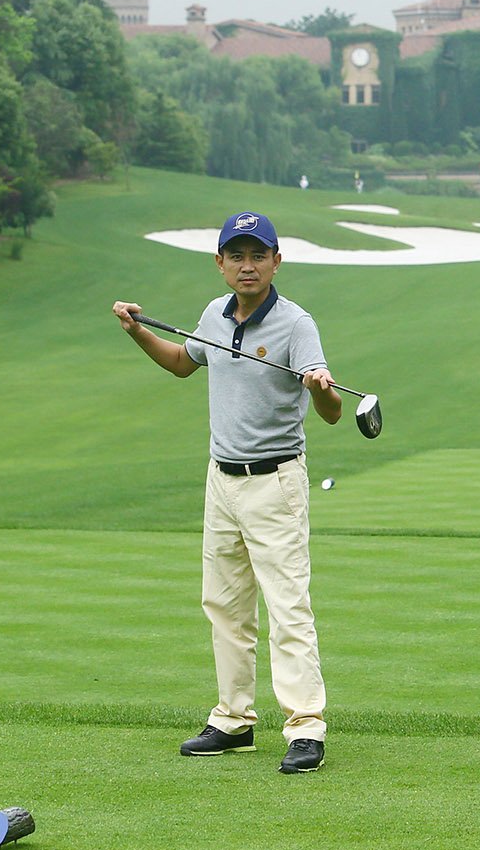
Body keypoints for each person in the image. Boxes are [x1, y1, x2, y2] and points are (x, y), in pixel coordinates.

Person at [112, 211, 342, 774]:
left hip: (275, 481)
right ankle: (234, 720)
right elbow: (181, 363)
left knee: (288, 607)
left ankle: (306, 727)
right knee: (225, 605)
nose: (247, 266)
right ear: (220, 263)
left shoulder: (296, 324)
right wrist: (139, 331)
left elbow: (334, 412)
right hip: (221, 480)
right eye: (236, 256)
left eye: (258, 255)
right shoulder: (213, 315)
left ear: (276, 261)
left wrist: (320, 390)